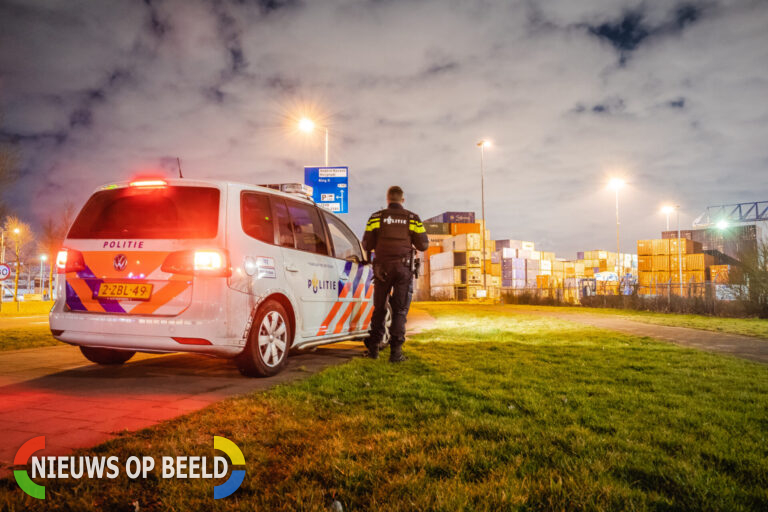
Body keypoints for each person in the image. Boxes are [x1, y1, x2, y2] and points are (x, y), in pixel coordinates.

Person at [362, 185, 429, 362]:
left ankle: (374, 350)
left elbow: (367, 244)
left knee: (380, 308)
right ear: (403, 200)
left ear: (388, 199)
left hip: (381, 269)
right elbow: (423, 245)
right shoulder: (413, 219)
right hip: (403, 269)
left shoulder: (376, 217)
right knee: (399, 310)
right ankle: (396, 353)